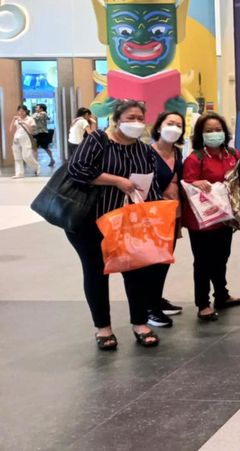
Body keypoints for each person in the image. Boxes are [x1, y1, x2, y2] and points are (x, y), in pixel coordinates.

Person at [66, 100, 165, 349]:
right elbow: (77, 169)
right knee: (96, 272)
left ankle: (140, 323)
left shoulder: (144, 150)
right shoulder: (99, 139)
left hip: (128, 223)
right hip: (91, 220)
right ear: (117, 120)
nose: (136, 123)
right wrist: (117, 181)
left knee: (136, 272)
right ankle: (103, 329)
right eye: (130, 118)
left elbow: (151, 184)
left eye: (140, 118)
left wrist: (154, 213)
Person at [182, 112, 240, 322]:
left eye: (218, 129)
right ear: (200, 134)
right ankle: (203, 303)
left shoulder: (232, 154)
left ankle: (222, 294)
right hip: (202, 221)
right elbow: (186, 185)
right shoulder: (195, 158)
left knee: (221, 257)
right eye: (209, 130)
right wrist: (195, 183)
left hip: (224, 218)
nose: (214, 133)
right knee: (203, 262)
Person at [146, 111, 186, 328]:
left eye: (179, 125)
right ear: (159, 126)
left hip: (173, 214)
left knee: (164, 259)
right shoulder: (147, 152)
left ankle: (156, 299)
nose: (174, 128)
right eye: (170, 123)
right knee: (152, 262)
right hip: (153, 216)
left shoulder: (177, 153)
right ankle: (149, 307)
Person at [9, 105, 39, 178]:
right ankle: (19, 173)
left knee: (27, 156)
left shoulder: (30, 119)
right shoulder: (17, 119)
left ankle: (36, 167)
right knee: (17, 157)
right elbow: (10, 130)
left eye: (23, 111)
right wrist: (13, 120)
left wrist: (24, 122)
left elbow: (32, 131)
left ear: (26, 111)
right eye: (19, 111)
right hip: (16, 139)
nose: (21, 112)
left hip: (26, 138)